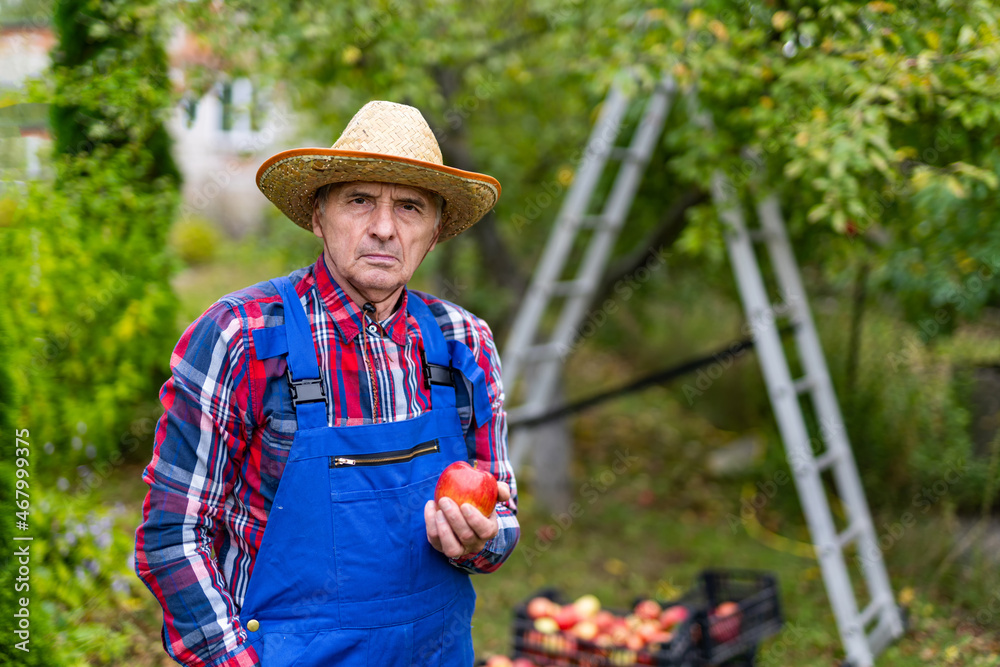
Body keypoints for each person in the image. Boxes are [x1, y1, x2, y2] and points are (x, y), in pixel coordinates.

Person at [134, 100, 519, 666]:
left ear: (434, 232)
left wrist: (478, 540)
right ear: (318, 215)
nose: (384, 228)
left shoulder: (464, 343)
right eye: (359, 200)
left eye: (409, 207)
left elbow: (502, 515)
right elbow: (174, 534)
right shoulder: (242, 337)